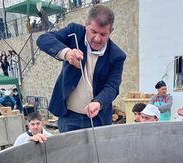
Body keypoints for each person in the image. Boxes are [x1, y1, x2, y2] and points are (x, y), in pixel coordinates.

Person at [36, 5, 126, 133]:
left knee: (97, 153)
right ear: (86, 25)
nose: (97, 38)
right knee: (70, 153)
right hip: (68, 116)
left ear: (111, 31)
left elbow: (113, 86)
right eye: (93, 31)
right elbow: (43, 40)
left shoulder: (117, 55)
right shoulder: (74, 32)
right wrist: (66, 53)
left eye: (103, 34)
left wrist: (99, 103)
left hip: (97, 118)